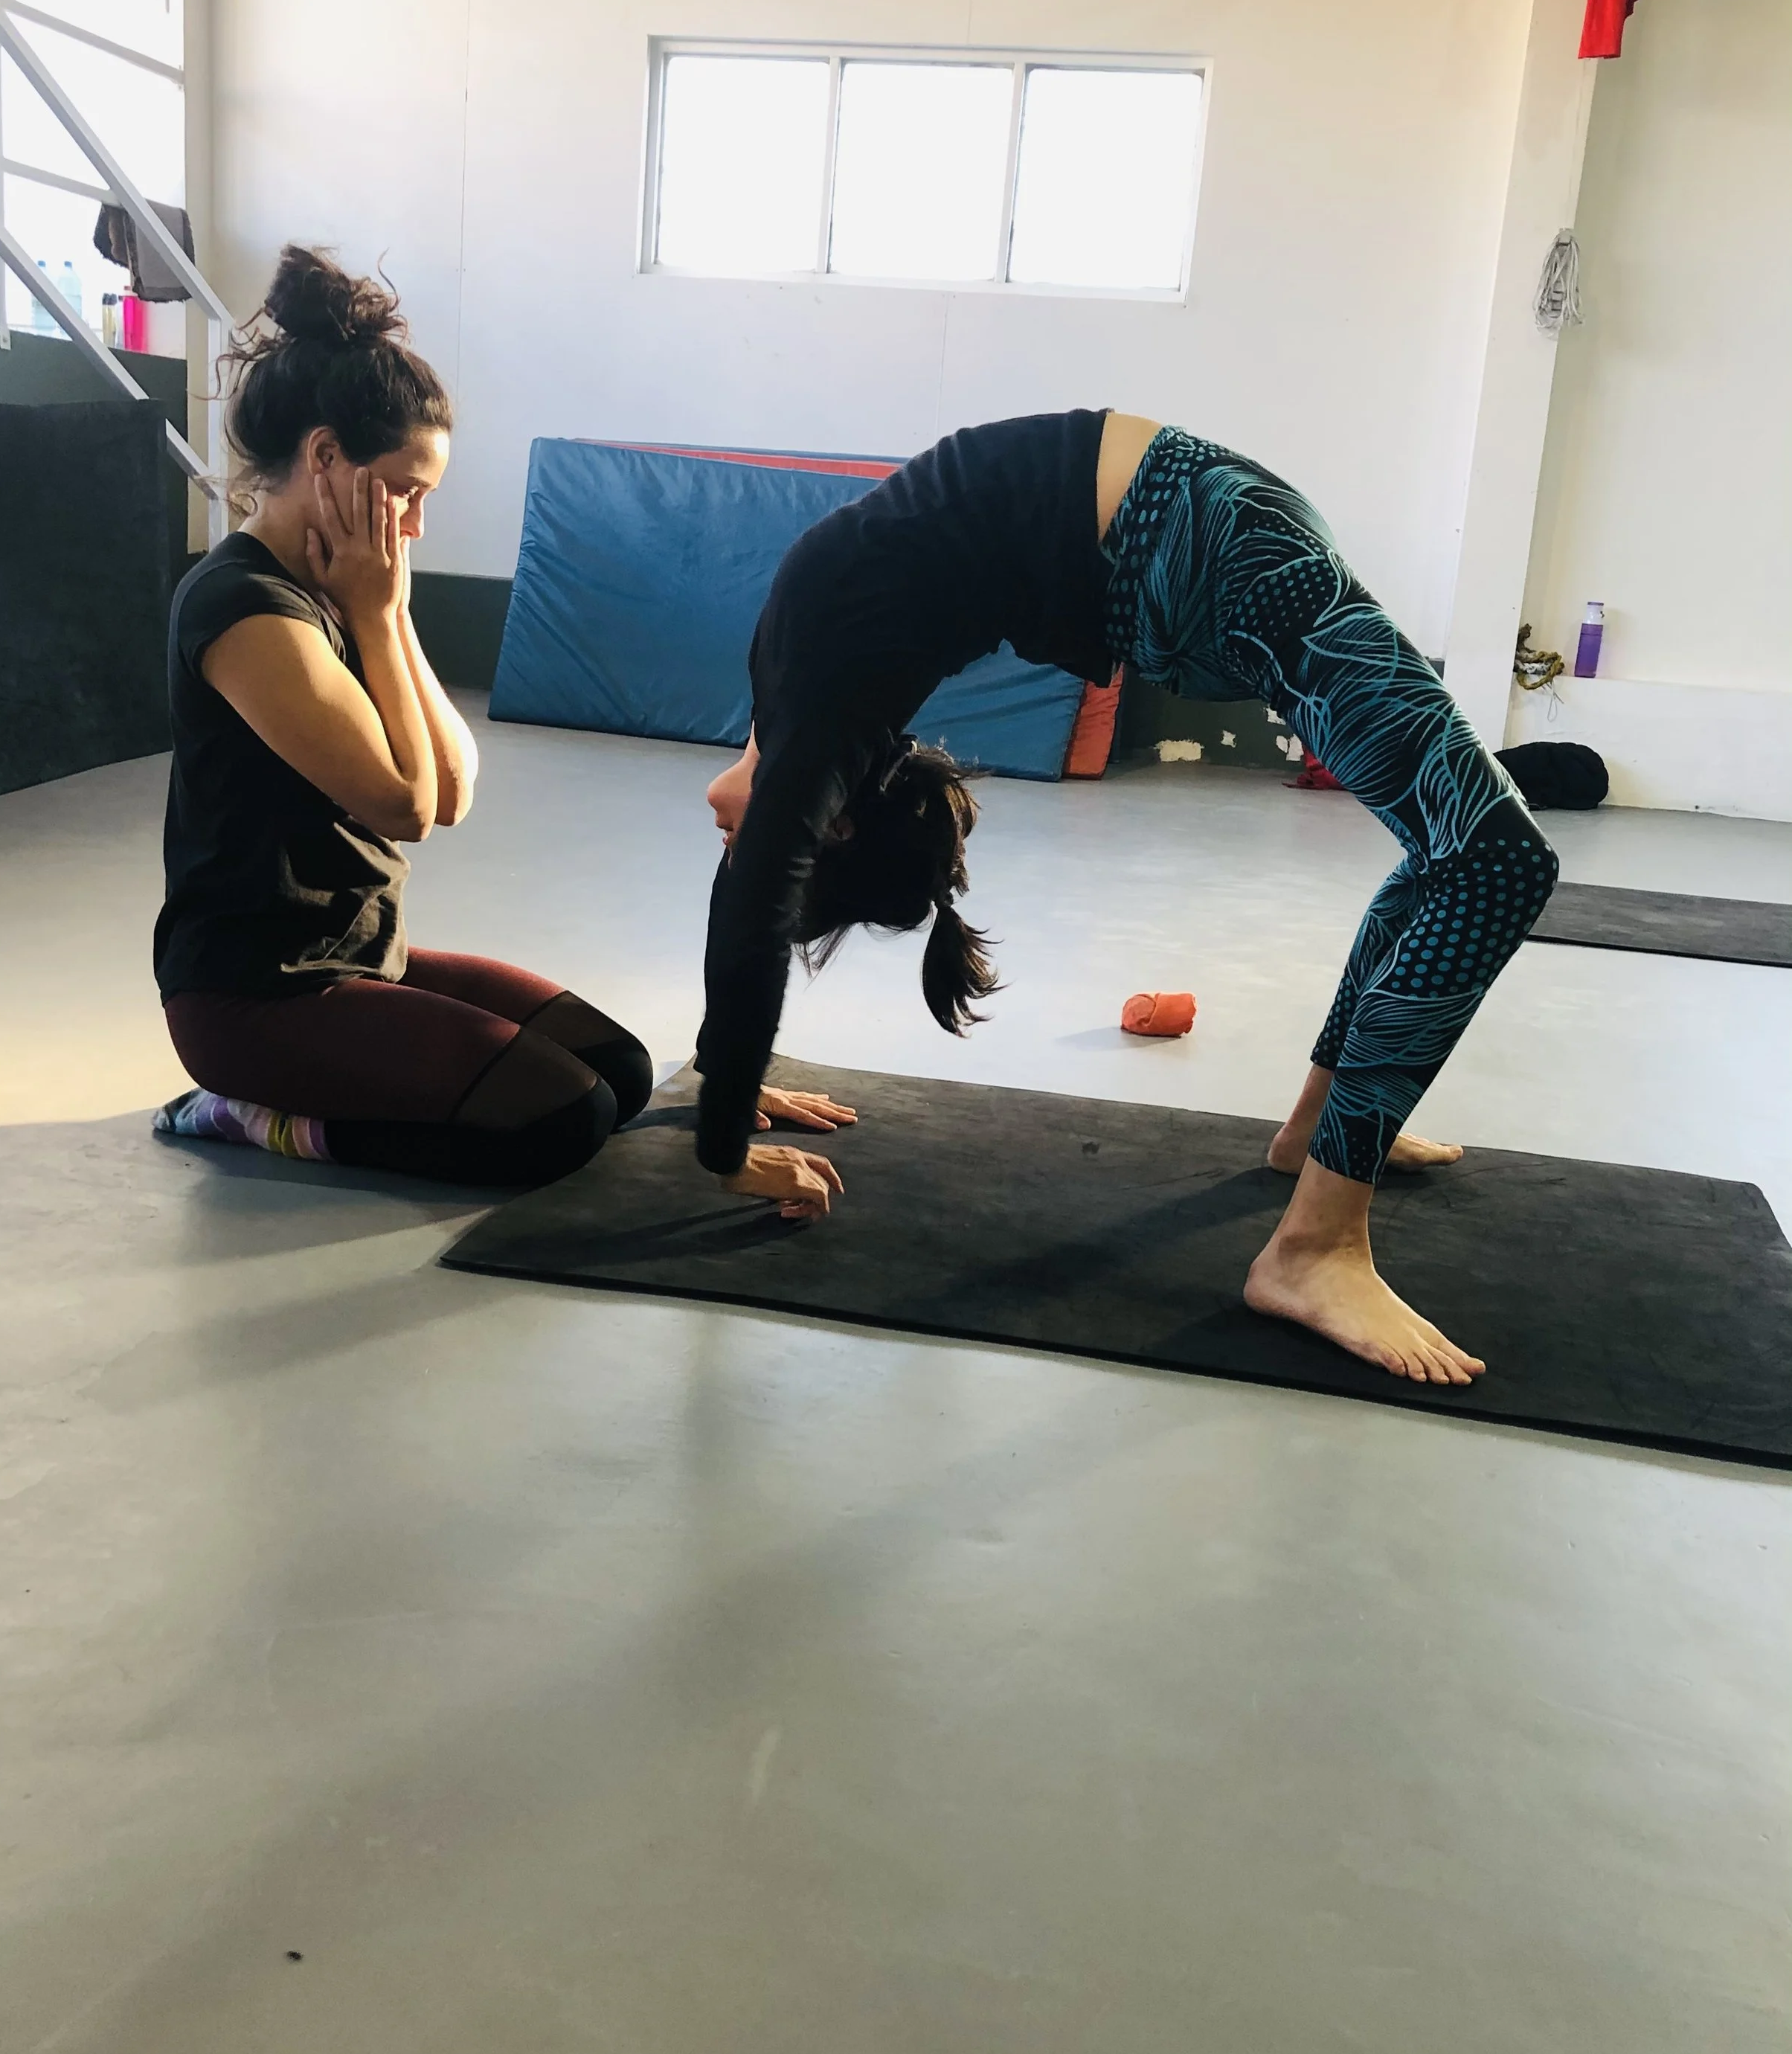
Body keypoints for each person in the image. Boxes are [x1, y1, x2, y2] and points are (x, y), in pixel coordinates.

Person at [694, 411, 1560, 1386]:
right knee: (1479, 853)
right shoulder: (812, 699)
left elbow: (757, 909)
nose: (735, 851)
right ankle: (1318, 1185)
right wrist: (726, 1071)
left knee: (1481, 855)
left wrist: (725, 1142)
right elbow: (755, 904)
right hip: (1196, 534)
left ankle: (1316, 1232)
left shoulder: (809, 708)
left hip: (1194, 536)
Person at [151, 243, 654, 1186]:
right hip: (255, 997)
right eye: (407, 493)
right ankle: (245, 1118)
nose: (415, 525)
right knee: (561, 1120)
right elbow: (404, 807)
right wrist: (381, 615)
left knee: (619, 1072)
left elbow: (455, 787)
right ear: (326, 457)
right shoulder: (244, 609)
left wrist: (387, 612)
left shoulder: (350, 588)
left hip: (363, 958)